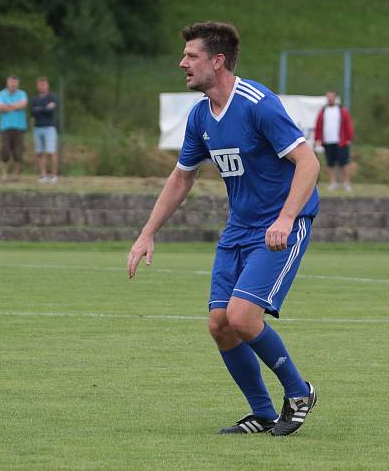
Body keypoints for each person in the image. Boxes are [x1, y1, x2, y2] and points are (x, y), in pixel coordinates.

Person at [127, 22, 321, 436]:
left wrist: (286, 219)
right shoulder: (200, 116)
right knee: (219, 324)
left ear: (217, 61)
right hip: (238, 230)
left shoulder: (258, 104)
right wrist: (148, 232)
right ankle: (263, 413)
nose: (182, 63)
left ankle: (300, 392)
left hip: (279, 227)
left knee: (243, 317)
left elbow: (309, 163)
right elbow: (182, 177)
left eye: (191, 56)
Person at [314, 91, 354, 191]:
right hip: (327, 141)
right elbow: (318, 126)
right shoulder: (323, 111)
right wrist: (317, 139)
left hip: (341, 141)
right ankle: (333, 182)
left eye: (332, 97)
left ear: (335, 98)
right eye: (328, 97)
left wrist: (349, 138)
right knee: (330, 163)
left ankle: (346, 183)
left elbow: (348, 125)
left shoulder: (342, 110)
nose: (330, 99)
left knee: (343, 163)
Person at [0, 75, 28, 182]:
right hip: (5, 127)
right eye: (11, 82)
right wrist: (15, 106)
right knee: (4, 151)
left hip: (19, 127)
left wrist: (8, 106)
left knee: (18, 152)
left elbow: (23, 104)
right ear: (7, 83)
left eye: (15, 82)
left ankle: (16, 175)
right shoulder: (1, 93)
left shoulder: (22, 93)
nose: (13, 84)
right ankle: (4, 175)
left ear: (18, 83)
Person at [30, 77, 59, 184]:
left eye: (44, 84)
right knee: (40, 152)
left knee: (51, 151)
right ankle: (43, 175)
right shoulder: (35, 99)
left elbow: (51, 110)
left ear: (47, 85)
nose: (42, 86)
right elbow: (33, 112)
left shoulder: (52, 97)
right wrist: (45, 108)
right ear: (37, 86)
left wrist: (40, 109)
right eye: (40, 84)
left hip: (49, 128)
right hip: (37, 128)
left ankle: (54, 175)